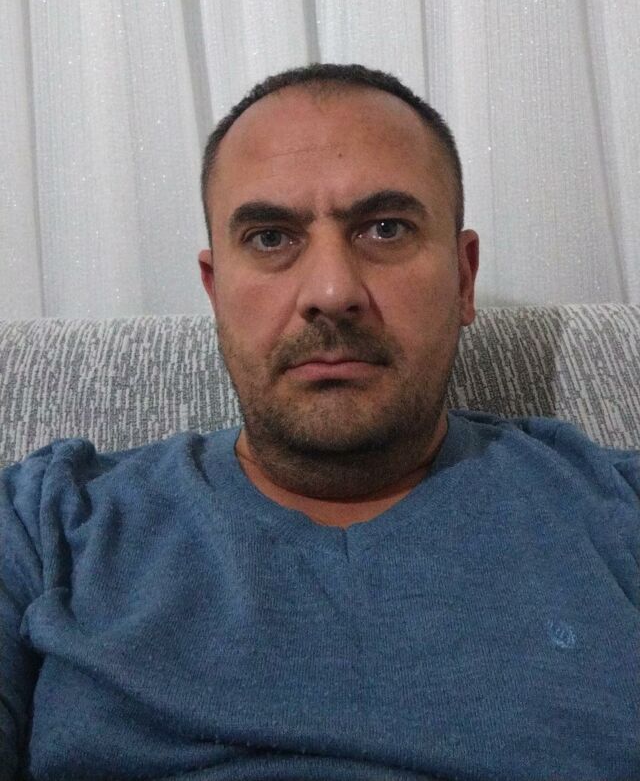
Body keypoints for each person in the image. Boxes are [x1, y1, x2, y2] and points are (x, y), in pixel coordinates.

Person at [1, 63, 638, 781]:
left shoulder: (617, 510)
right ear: (215, 290)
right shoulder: (46, 521)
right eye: (271, 238)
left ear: (464, 278)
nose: (332, 292)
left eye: (386, 229)